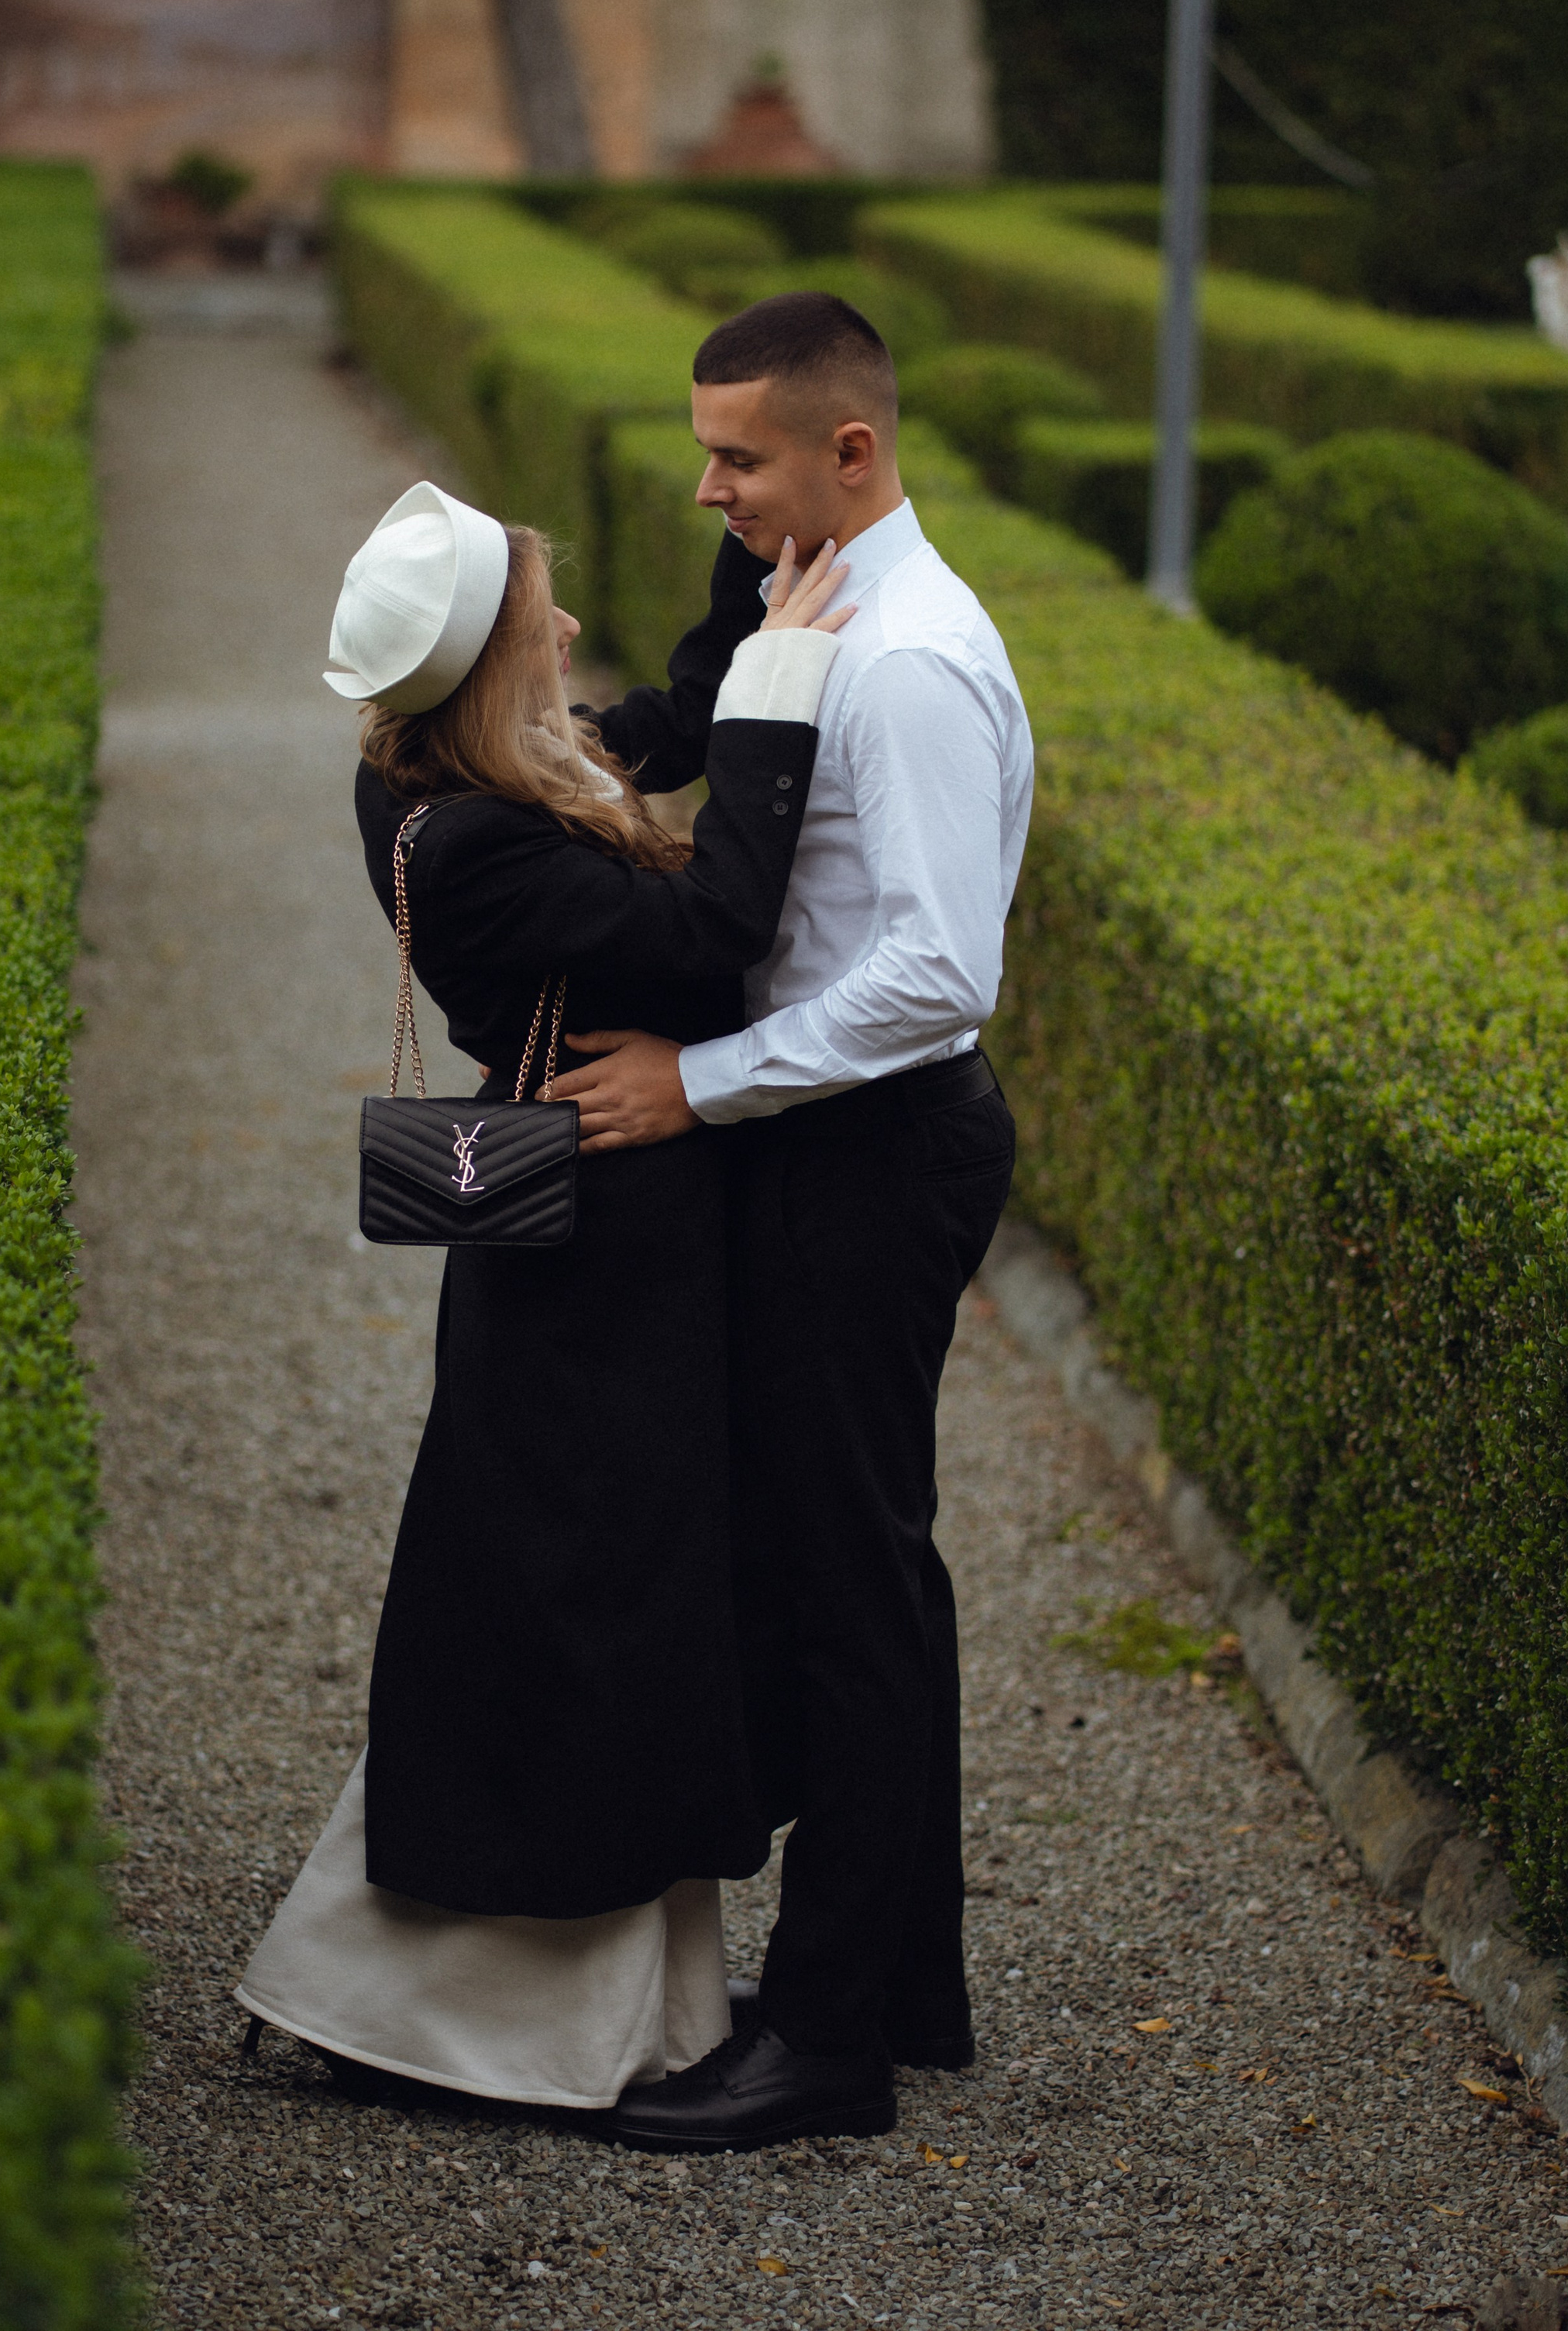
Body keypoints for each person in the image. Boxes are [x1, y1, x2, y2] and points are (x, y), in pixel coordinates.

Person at [234, 478, 853, 2115]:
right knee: (594, 1599)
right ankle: (478, 2022)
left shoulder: (456, 765)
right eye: (539, 614)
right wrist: (785, 690)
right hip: (592, 1250)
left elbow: (654, 712)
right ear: (486, 661)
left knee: (599, 1595)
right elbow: (720, 917)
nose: (566, 630)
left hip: (607, 1236)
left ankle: (542, 1997)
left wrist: (756, 520)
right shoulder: (481, 839)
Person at [551, 293, 1037, 2153]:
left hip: (868, 1145)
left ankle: (828, 2041)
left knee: (844, 1585)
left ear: (849, 450)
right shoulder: (813, 610)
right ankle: (900, 1983)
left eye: (737, 456)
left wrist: (698, 1080)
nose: (707, 487)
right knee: (868, 1569)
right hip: (843, 1136)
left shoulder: (901, 657)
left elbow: (932, 969)